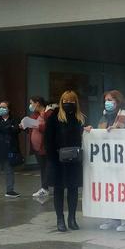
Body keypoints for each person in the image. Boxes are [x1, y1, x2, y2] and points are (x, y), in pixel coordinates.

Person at [92, 90, 125, 232]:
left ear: (118, 100)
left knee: (123, 189)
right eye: (106, 100)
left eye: (110, 100)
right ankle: (112, 218)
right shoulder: (104, 116)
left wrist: (118, 131)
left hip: (124, 159)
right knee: (110, 188)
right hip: (108, 159)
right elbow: (99, 131)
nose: (107, 103)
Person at [46, 91, 85, 232]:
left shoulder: (79, 118)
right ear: (61, 101)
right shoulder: (54, 117)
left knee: (73, 189)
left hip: (74, 160)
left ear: (76, 102)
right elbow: (48, 140)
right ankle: (60, 219)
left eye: (71, 100)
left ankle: (72, 218)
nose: (68, 103)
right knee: (59, 190)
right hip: (58, 161)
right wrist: (51, 159)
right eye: (65, 100)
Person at [23, 96, 52, 200]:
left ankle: (47, 187)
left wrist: (38, 126)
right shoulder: (34, 115)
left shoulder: (48, 113)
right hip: (37, 148)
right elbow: (32, 127)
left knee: (48, 167)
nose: (30, 106)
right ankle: (44, 188)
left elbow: (49, 128)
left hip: (46, 146)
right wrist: (25, 126)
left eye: (32, 103)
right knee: (43, 168)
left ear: (38, 103)